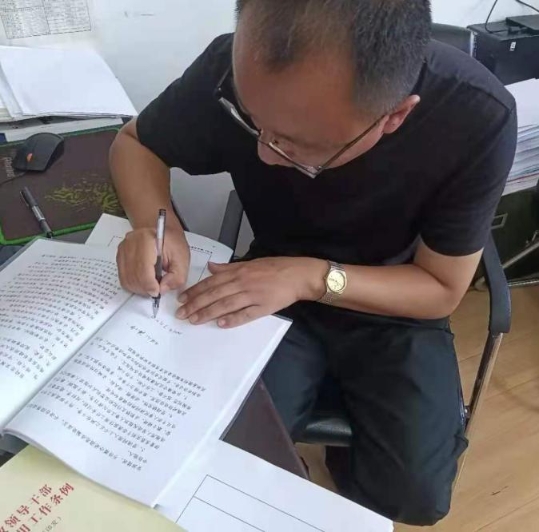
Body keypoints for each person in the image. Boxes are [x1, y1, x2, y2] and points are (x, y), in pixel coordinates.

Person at [110, 0, 517, 525]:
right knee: (228, 461)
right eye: (252, 121)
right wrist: (154, 225)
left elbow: (441, 288)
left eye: (297, 146)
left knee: (415, 497)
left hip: (393, 298)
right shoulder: (232, 68)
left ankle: (346, 455)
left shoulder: (476, 116)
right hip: (269, 286)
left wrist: (310, 276)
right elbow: (136, 142)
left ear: (395, 116)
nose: (265, 154)